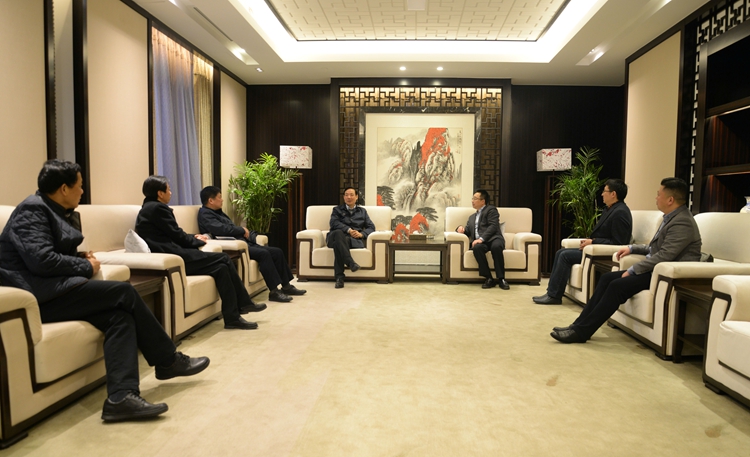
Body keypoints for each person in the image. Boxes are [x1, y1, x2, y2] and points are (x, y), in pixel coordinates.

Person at [0, 160, 210, 422]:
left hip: (52, 290)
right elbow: (41, 261)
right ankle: (168, 360)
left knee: (119, 318)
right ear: (64, 189)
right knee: (124, 293)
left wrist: (79, 257)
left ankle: (121, 398)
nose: (82, 191)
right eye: (79, 186)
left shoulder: (54, 210)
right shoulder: (32, 210)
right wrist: (85, 265)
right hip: (34, 297)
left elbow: (48, 253)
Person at [551, 177, 701, 344]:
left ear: (670, 200)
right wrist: (632, 248)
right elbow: (654, 248)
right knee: (607, 278)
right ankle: (577, 326)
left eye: (659, 194)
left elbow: (664, 255)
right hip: (656, 269)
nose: (656, 197)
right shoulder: (671, 218)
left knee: (617, 286)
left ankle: (581, 332)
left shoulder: (682, 222)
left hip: (665, 275)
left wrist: (633, 270)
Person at [136, 176, 266, 331]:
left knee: (221, 268)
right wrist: (197, 241)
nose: (170, 192)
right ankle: (244, 303)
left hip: (172, 254)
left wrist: (193, 237)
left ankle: (232, 317)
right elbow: (177, 236)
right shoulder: (157, 209)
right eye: (168, 189)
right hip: (174, 256)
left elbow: (172, 233)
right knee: (224, 258)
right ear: (160, 193)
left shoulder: (149, 208)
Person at [197, 186, 306, 302]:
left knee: (277, 252)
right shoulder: (205, 214)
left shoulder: (217, 212)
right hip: (234, 245)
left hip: (243, 242)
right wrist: (242, 230)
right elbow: (222, 230)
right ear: (211, 200)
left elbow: (228, 227)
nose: (222, 200)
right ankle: (274, 291)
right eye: (219, 197)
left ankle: (286, 286)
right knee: (263, 254)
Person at [533, 178, 633, 305]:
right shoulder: (610, 209)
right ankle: (551, 292)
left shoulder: (620, 212)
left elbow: (619, 242)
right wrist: (590, 241)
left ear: (613, 194)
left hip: (602, 255)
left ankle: (554, 296)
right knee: (560, 252)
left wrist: (593, 242)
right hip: (594, 250)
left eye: (605, 191)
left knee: (565, 256)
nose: (602, 194)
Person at [456, 189, 509, 290]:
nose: (472, 201)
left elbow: (493, 226)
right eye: (472, 198)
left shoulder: (491, 210)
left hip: (494, 238)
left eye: (475, 198)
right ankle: (489, 278)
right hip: (481, 243)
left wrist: (481, 238)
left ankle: (501, 278)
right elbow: (468, 231)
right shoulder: (471, 217)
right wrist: (460, 229)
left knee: (496, 247)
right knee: (477, 248)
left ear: (482, 201)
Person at [327, 187, 375, 289]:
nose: (349, 197)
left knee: (338, 245)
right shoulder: (337, 210)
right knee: (338, 233)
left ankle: (339, 278)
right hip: (334, 237)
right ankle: (350, 262)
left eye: (352, 195)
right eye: (346, 195)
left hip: (351, 240)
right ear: (344, 197)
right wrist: (348, 230)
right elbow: (334, 223)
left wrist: (362, 234)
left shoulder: (362, 211)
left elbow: (371, 227)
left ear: (356, 197)